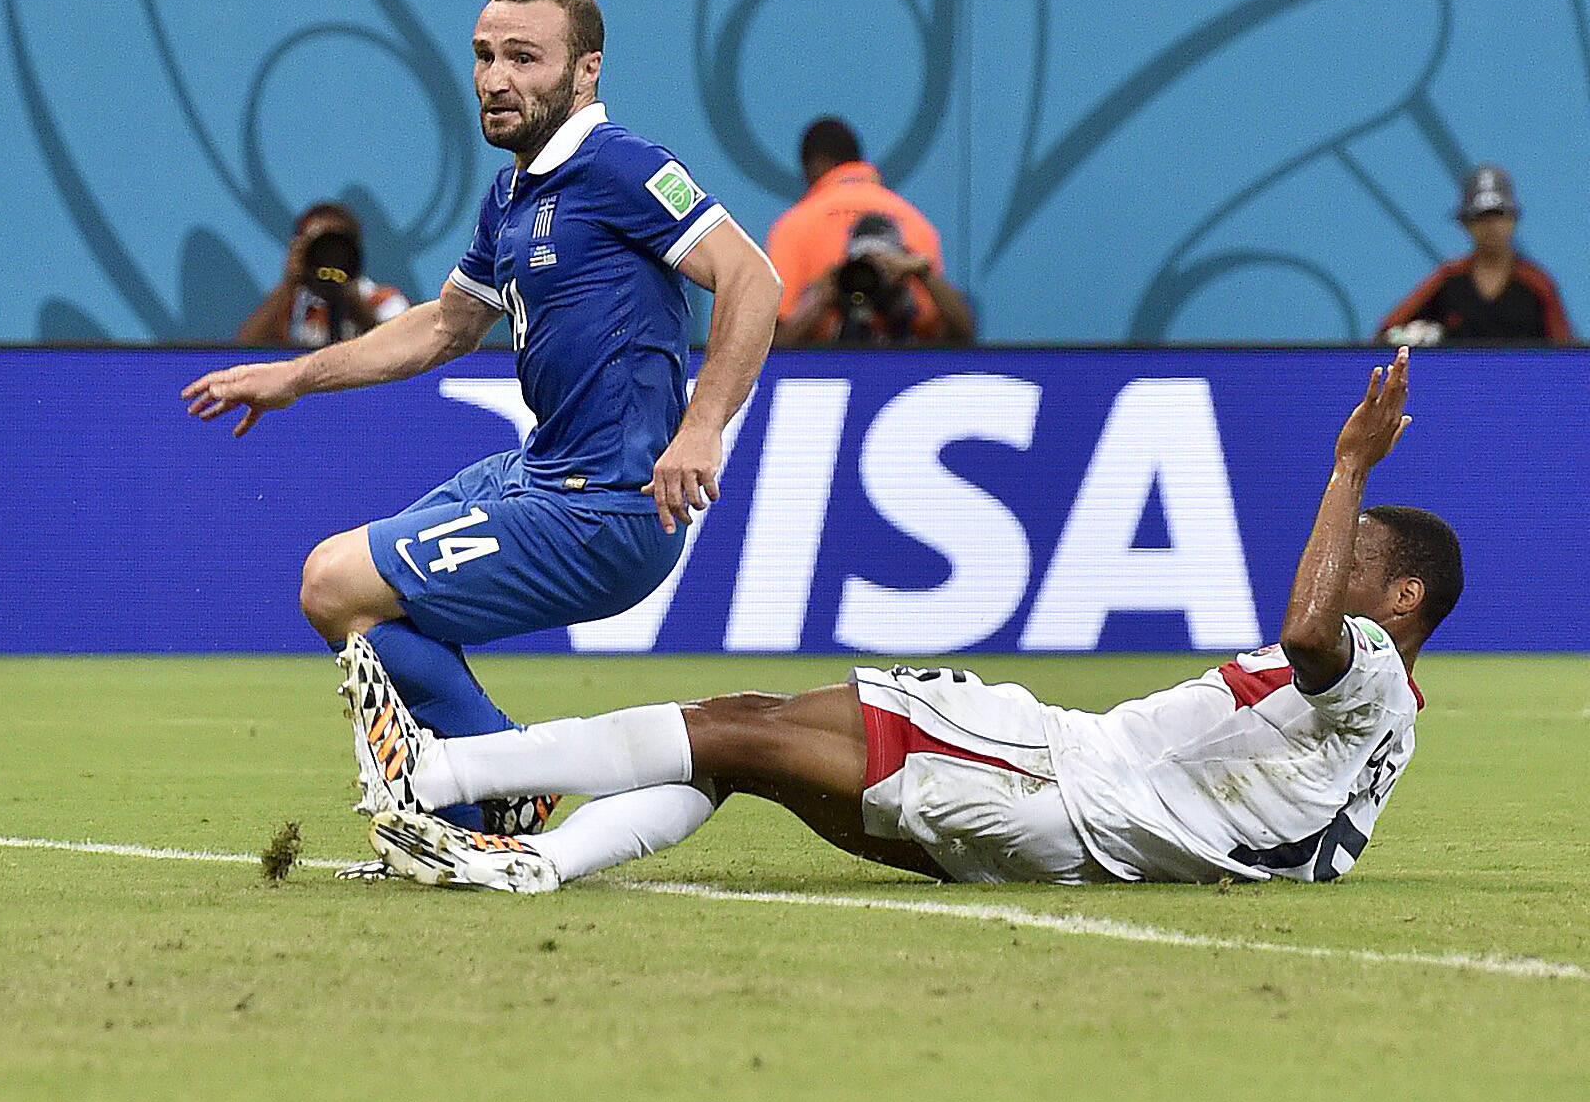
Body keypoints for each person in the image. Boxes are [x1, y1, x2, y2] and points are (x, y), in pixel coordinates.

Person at [348, 348, 1447, 893]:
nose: (1325, 570)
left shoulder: (1370, 675)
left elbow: (1309, 638)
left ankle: (444, 776)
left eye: (1353, 562)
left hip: (1063, 782)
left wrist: (1349, 463)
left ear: (1405, 601)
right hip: (1071, 812)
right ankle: (525, 861)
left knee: (733, 730)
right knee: (744, 745)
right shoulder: (1382, 720)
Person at [183, 0, 781, 835]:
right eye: (484, 55)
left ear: (585, 72)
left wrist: (700, 427)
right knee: (353, 603)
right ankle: (472, 813)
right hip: (536, 474)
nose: (495, 77)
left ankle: (504, 775)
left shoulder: (620, 165)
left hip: (606, 505)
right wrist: (293, 376)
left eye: (523, 57)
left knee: (332, 581)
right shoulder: (508, 196)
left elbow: (751, 279)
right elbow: (442, 328)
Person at [763, 116, 941, 321]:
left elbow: (779, 334)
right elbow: (942, 327)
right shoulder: (917, 222)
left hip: (824, 352)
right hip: (907, 352)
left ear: (815, 164)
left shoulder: (794, 226)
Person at [1381, 165, 1572, 344]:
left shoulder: (1538, 285)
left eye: (1498, 215)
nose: (1490, 226)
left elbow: (1564, 352)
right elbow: (1387, 334)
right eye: (1480, 217)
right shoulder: (1448, 279)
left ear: (1514, 219)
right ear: (1466, 224)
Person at [776, 211, 974, 344]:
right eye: (866, 262)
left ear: (902, 262)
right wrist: (824, 298)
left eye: (884, 263)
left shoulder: (916, 313)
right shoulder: (836, 308)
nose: (875, 272)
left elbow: (963, 333)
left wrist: (924, 272)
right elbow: (780, 349)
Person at [239, 201, 409, 347]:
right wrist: (289, 285)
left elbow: (403, 357)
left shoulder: (384, 302)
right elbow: (242, 353)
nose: (328, 256)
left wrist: (352, 300)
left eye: (334, 246)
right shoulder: (290, 306)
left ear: (353, 251)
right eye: (317, 246)